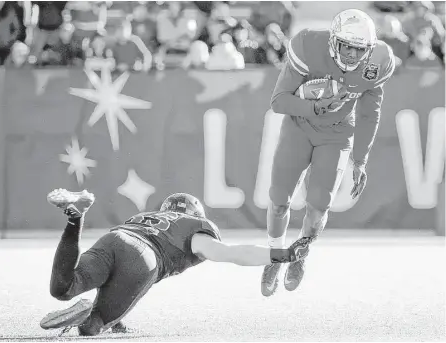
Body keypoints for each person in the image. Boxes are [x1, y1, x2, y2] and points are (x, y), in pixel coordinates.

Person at [40, 189, 311, 336]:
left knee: (63, 288)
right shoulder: (194, 226)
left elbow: (117, 269)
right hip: (144, 255)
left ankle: (75, 219)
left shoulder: (146, 216)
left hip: (115, 237)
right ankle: (93, 315)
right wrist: (282, 255)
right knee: (91, 328)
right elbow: (231, 254)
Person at [262, 9, 395, 297]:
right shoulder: (308, 45)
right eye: (346, 45)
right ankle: (274, 254)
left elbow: (370, 113)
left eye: (359, 49)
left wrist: (360, 159)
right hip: (300, 126)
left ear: (369, 49)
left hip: (337, 134)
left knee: (319, 204)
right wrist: (313, 106)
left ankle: (300, 253)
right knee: (280, 199)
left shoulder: (379, 61)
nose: (350, 54)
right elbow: (279, 100)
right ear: (334, 41)